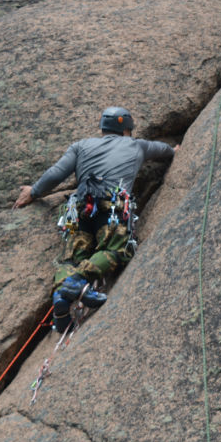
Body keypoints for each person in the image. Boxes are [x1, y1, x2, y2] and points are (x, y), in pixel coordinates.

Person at [15, 106, 176, 332]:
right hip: (111, 208)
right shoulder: (136, 145)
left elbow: (57, 172)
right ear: (127, 129)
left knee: (71, 257)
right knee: (117, 249)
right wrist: (175, 150)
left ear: (103, 128)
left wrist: (33, 192)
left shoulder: (80, 146)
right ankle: (76, 282)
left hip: (78, 208)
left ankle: (61, 302)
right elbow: (164, 150)